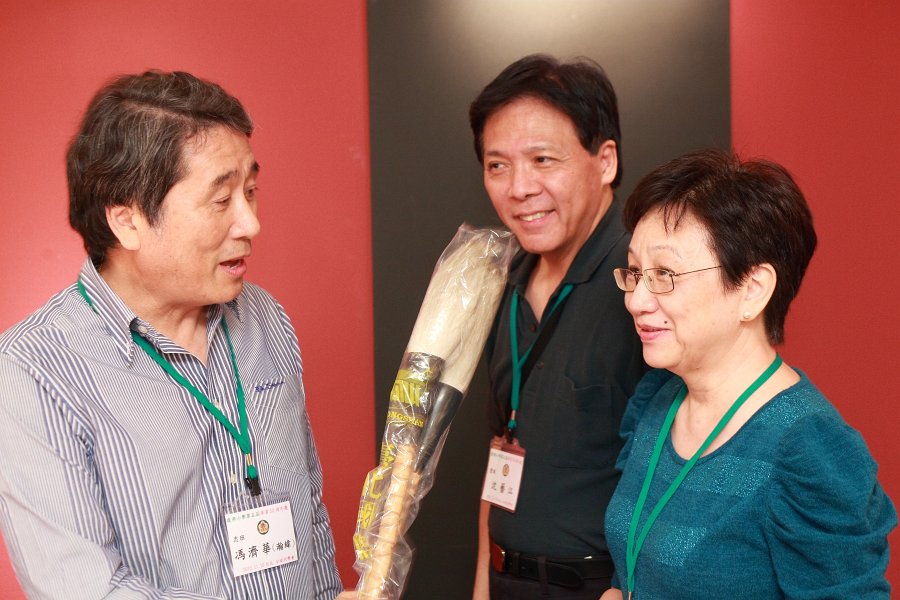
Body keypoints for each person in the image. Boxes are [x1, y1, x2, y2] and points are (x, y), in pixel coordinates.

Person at [0, 71, 345, 599]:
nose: (250, 224)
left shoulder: (265, 319)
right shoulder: (35, 373)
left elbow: (309, 513)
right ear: (127, 220)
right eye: (221, 199)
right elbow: (90, 591)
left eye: (251, 191)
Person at [601, 148, 897, 599]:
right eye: (636, 272)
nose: (637, 300)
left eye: (664, 274)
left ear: (752, 290)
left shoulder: (808, 448)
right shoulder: (658, 400)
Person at [469, 54, 646, 599]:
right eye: (498, 165)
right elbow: (503, 446)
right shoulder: (502, 281)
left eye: (543, 159)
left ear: (605, 161)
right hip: (507, 578)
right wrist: (483, 586)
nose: (519, 188)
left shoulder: (645, 281)